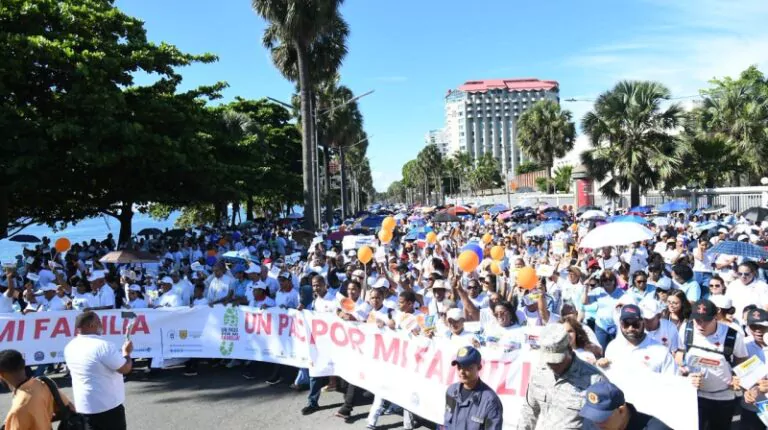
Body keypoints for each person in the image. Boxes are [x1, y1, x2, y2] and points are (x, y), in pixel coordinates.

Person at [676, 299, 748, 430]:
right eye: (697, 320)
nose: (700, 325)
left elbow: (742, 359)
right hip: (694, 396)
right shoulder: (686, 329)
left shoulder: (732, 335)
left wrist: (737, 376)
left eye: (706, 320)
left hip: (723, 397)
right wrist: (684, 373)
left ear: (716, 317)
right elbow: (679, 354)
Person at [517, 324, 604, 430]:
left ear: (569, 349)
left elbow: (606, 423)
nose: (553, 366)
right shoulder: (540, 373)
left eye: (558, 361)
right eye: (549, 362)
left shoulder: (595, 380)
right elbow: (529, 411)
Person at [64, 311, 133, 430]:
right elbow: (125, 368)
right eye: (99, 322)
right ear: (91, 325)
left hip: (84, 408)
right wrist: (126, 353)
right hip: (108, 408)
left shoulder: (69, 347)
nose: (101, 325)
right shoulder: (103, 346)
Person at [0, 349, 73, 430]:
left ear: (1, 374)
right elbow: (70, 407)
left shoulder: (18, 409)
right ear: (23, 364)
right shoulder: (45, 384)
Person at [599, 304, 677, 375]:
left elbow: (672, 382)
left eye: (635, 324)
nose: (630, 328)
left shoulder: (661, 351)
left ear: (643, 323)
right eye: (626, 324)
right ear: (620, 324)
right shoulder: (612, 347)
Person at [443, 346, 503, 430]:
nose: (462, 371)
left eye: (467, 367)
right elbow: (447, 424)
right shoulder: (451, 391)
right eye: (459, 366)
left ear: (479, 367)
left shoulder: (490, 401)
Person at [579, 380, 671, 430]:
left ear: (621, 411)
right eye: (593, 416)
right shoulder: (592, 422)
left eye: (602, 418)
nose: (597, 423)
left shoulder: (656, 428)